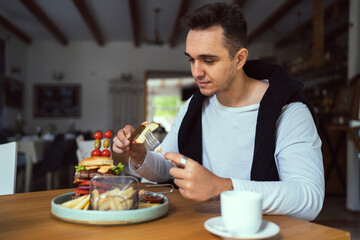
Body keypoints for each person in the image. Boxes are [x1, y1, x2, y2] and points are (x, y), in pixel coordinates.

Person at [113, 2, 324, 221]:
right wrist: (139, 156)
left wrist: (222, 187)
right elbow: (167, 166)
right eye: (192, 59)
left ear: (240, 58)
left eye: (208, 60)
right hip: (202, 228)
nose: (196, 72)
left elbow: (309, 198)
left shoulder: (290, 113)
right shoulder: (192, 107)